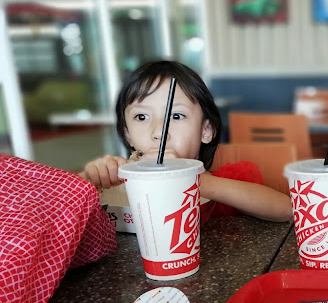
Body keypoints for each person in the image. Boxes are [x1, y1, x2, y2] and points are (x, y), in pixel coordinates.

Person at [79, 61, 291, 222]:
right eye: (141, 117)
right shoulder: (114, 180)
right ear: (127, 134)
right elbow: (52, 207)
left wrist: (194, 181)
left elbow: (286, 210)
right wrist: (90, 179)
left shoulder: (225, 181)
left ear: (206, 130)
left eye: (176, 116)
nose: (159, 132)